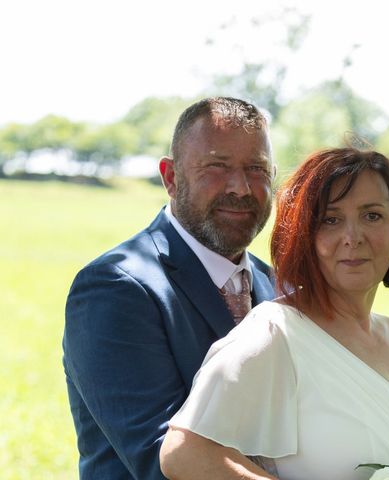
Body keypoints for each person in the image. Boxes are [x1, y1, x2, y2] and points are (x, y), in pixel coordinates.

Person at [160, 148, 389, 480]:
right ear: (303, 236)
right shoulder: (275, 334)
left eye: (372, 215)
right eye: (330, 220)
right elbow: (184, 453)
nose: (352, 238)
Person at [62, 97, 277, 479]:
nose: (241, 187)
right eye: (217, 166)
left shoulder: (279, 286)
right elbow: (164, 459)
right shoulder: (116, 287)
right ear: (171, 177)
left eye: (256, 169)